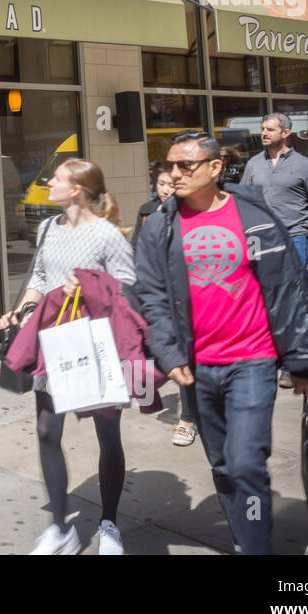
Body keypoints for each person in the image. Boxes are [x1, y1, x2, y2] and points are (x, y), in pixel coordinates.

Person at [135, 130, 308, 555]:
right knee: (222, 464)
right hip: (197, 366)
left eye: (186, 165)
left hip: (252, 360)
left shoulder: (253, 215)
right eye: (170, 166)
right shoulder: (160, 223)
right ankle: (246, 540)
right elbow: (150, 293)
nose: (175, 173)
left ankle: (255, 547)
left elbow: (287, 289)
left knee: (245, 463)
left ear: (215, 167)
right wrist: (167, 352)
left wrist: (303, 360)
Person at [0, 159, 136, 555]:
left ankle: (109, 524)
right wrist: (22, 311)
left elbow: (128, 286)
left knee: (107, 435)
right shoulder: (45, 229)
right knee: (46, 432)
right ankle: (60, 530)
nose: (49, 184)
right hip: (52, 343)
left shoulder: (107, 235)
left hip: (96, 345)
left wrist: (91, 285)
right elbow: (39, 278)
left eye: (55, 179)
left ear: (76, 189)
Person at [132, 161, 198, 447]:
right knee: (147, 346)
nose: (165, 190)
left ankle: (188, 418)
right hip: (153, 292)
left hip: (183, 295)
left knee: (184, 355)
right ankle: (147, 393)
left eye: (169, 185)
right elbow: (136, 247)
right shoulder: (148, 212)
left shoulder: (188, 214)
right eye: (160, 184)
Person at [241, 113, 308, 269]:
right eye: (263, 129)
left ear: (285, 133)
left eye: (270, 130)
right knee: (260, 289)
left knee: (294, 290)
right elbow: (243, 201)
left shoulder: (305, 166)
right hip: (259, 238)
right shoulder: (253, 164)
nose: (264, 133)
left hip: (294, 237)